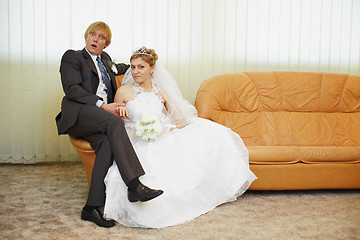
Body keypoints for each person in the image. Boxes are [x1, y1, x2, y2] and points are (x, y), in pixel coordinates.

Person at [103, 47, 257, 228]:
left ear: (152, 68)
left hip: (160, 134)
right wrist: (120, 114)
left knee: (194, 149)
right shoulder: (123, 92)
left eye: (141, 67)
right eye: (133, 67)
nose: (135, 72)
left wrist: (167, 129)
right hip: (134, 137)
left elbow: (179, 118)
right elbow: (116, 124)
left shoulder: (161, 92)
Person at [55, 22, 163, 228]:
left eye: (102, 37)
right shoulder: (72, 57)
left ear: (106, 43)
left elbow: (121, 68)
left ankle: (91, 208)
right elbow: (72, 90)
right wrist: (103, 106)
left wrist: (142, 63)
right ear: (86, 37)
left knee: (106, 143)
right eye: (92, 35)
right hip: (79, 114)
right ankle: (134, 185)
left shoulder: (105, 60)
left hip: (99, 120)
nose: (96, 39)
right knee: (114, 121)